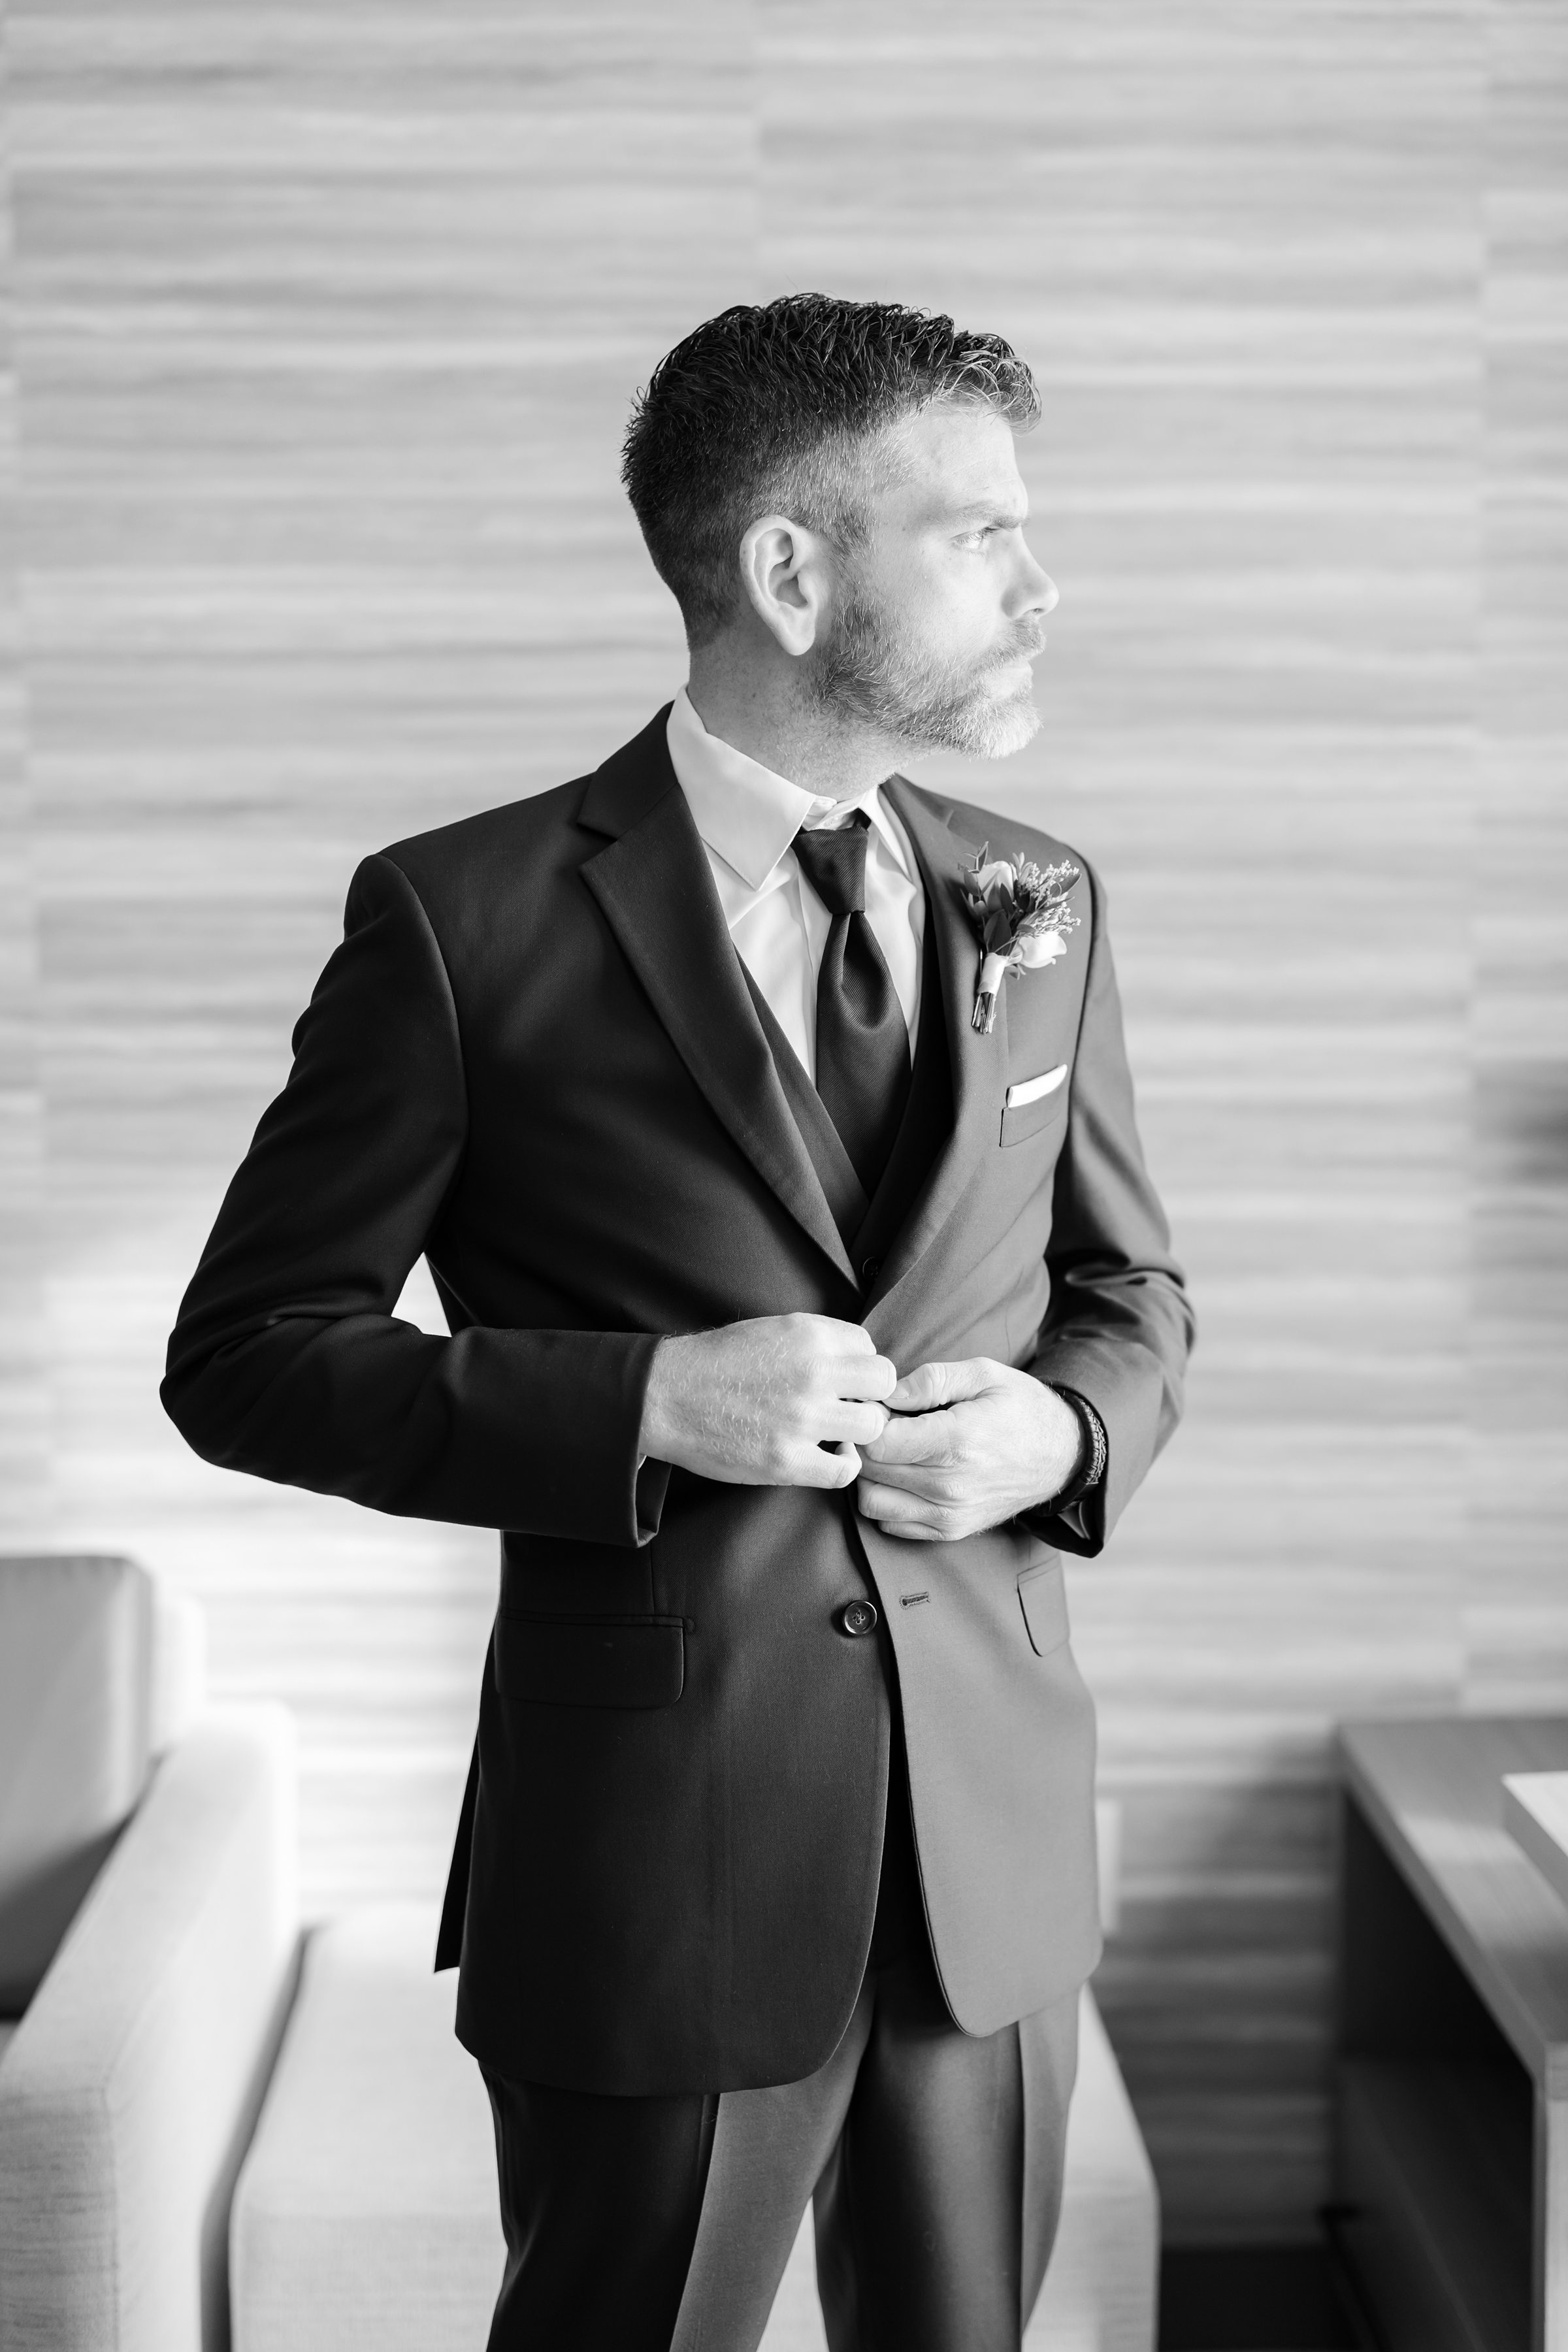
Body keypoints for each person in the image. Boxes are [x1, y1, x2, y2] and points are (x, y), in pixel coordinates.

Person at [163, 293, 1192, 2352]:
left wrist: (1064, 1436)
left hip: (983, 1862)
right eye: (978, 533)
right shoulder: (462, 925)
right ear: (792, 573)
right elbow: (251, 1353)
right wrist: (648, 1404)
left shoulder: (1039, 898)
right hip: (657, 1862)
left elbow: (1129, 1291)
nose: (1039, 582)